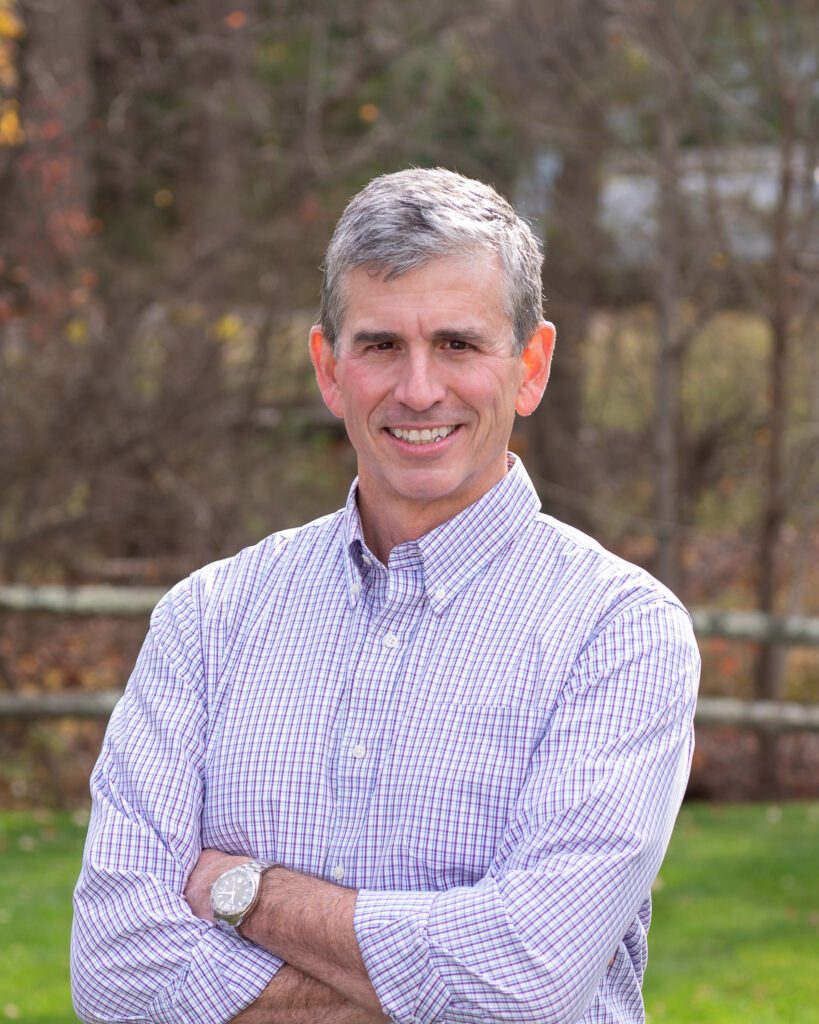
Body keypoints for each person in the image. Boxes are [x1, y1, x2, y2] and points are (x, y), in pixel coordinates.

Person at [72, 167, 699, 1024]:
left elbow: (527, 979)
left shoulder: (619, 633)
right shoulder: (208, 619)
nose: (417, 389)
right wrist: (424, 982)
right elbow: (113, 973)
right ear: (329, 369)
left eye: (457, 344)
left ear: (530, 365)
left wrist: (250, 896)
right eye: (378, 346)